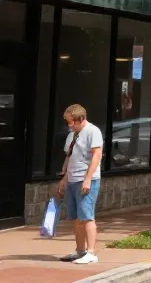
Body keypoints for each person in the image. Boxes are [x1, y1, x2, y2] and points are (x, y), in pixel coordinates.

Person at [56, 104, 103, 265]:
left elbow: (96, 155)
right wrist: (64, 178)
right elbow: (69, 157)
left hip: (86, 179)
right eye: (68, 122)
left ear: (81, 119)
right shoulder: (72, 135)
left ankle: (91, 252)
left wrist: (88, 179)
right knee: (75, 218)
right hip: (72, 179)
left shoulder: (93, 131)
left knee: (87, 217)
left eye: (71, 122)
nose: (69, 125)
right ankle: (80, 250)